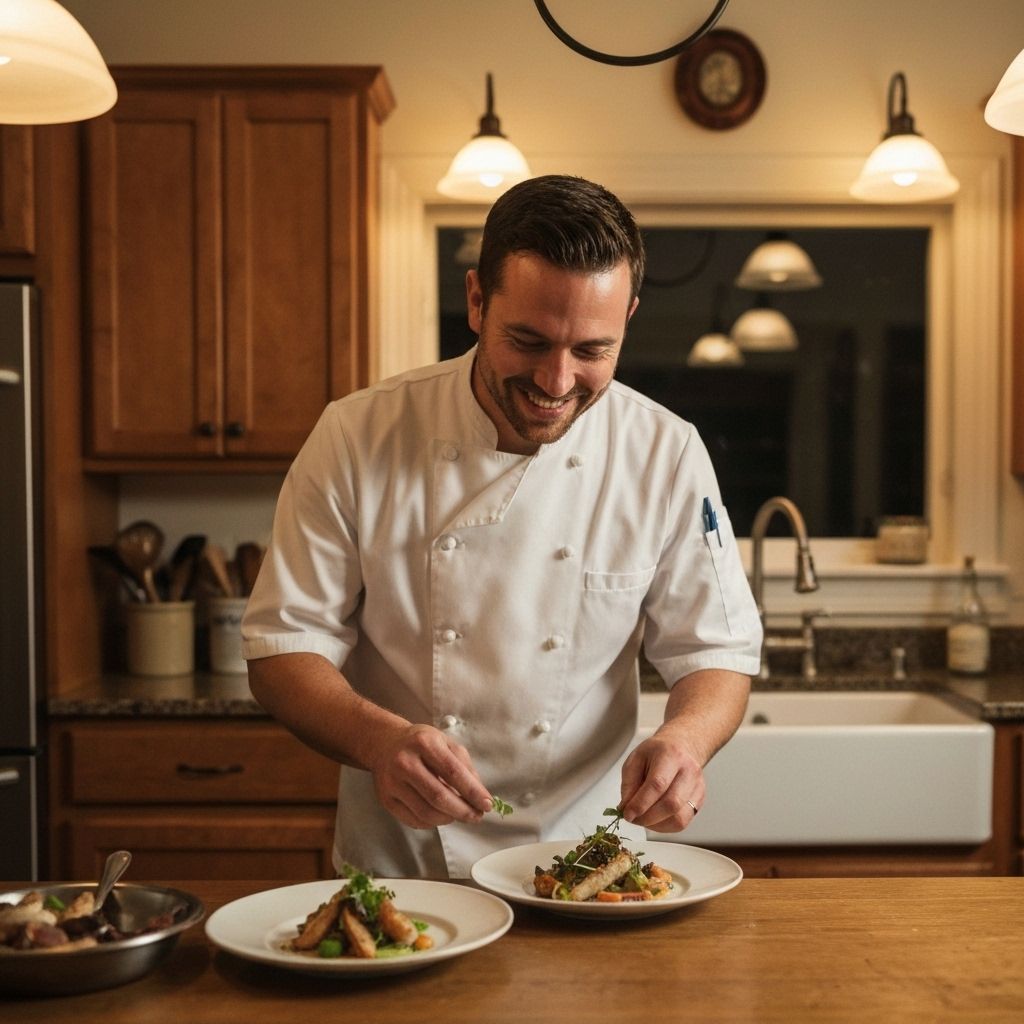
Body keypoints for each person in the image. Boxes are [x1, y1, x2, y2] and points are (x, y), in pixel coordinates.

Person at [243, 174, 762, 879]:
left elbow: (717, 651)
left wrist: (685, 744)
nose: (556, 382)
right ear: (477, 301)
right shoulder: (359, 434)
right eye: (529, 340)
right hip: (407, 867)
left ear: (629, 318)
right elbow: (282, 649)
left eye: (591, 351)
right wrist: (377, 742)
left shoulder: (663, 453)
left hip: (591, 865)